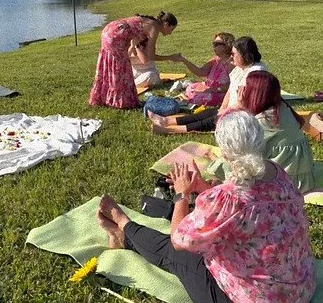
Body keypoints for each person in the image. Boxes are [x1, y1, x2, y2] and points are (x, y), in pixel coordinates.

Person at [97, 110, 316, 303]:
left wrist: (181, 194)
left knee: (178, 255)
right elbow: (250, 207)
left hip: (254, 297)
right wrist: (203, 188)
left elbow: (179, 240)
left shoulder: (228, 198)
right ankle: (126, 233)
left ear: (225, 151)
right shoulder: (277, 174)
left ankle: (123, 226)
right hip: (300, 289)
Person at [209, 71, 316, 193]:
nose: (241, 90)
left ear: (254, 93)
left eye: (245, 87)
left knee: (227, 161)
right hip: (303, 178)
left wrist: (237, 107)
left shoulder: (262, 121)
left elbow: (226, 132)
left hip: (284, 183)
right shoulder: (282, 109)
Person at [148, 35, 266, 133]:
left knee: (211, 120)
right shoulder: (239, 68)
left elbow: (247, 104)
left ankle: (170, 130)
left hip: (244, 116)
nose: (231, 56)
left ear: (244, 55)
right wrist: (223, 109)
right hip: (233, 108)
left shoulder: (255, 74)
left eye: (234, 54)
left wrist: (224, 111)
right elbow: (230, 91)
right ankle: (167, 121)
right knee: (207, 113)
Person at [89, 12, 179, 109]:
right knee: (121, 69)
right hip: (116, 35)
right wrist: (170, 57)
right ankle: (121, 102)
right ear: (166, 24)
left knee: (111, 66)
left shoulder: (149, 22)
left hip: (109, 29)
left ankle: (103, 97)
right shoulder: (154, 28)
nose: (170, 33)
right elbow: (151, 56)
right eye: (171, 29)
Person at [176, 32, 234, 106]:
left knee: (202, 95)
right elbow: (200, 72)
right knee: (191, 87)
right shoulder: (215, 60)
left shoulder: (231, 64)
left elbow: (232, 86)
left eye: (216, 44)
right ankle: (188, 99)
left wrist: (210, 89)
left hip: (220, 93)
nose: (214, 47)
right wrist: (184, 60)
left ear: (226, 46)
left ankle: (187, 100)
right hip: (210, 88)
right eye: (213, 44)